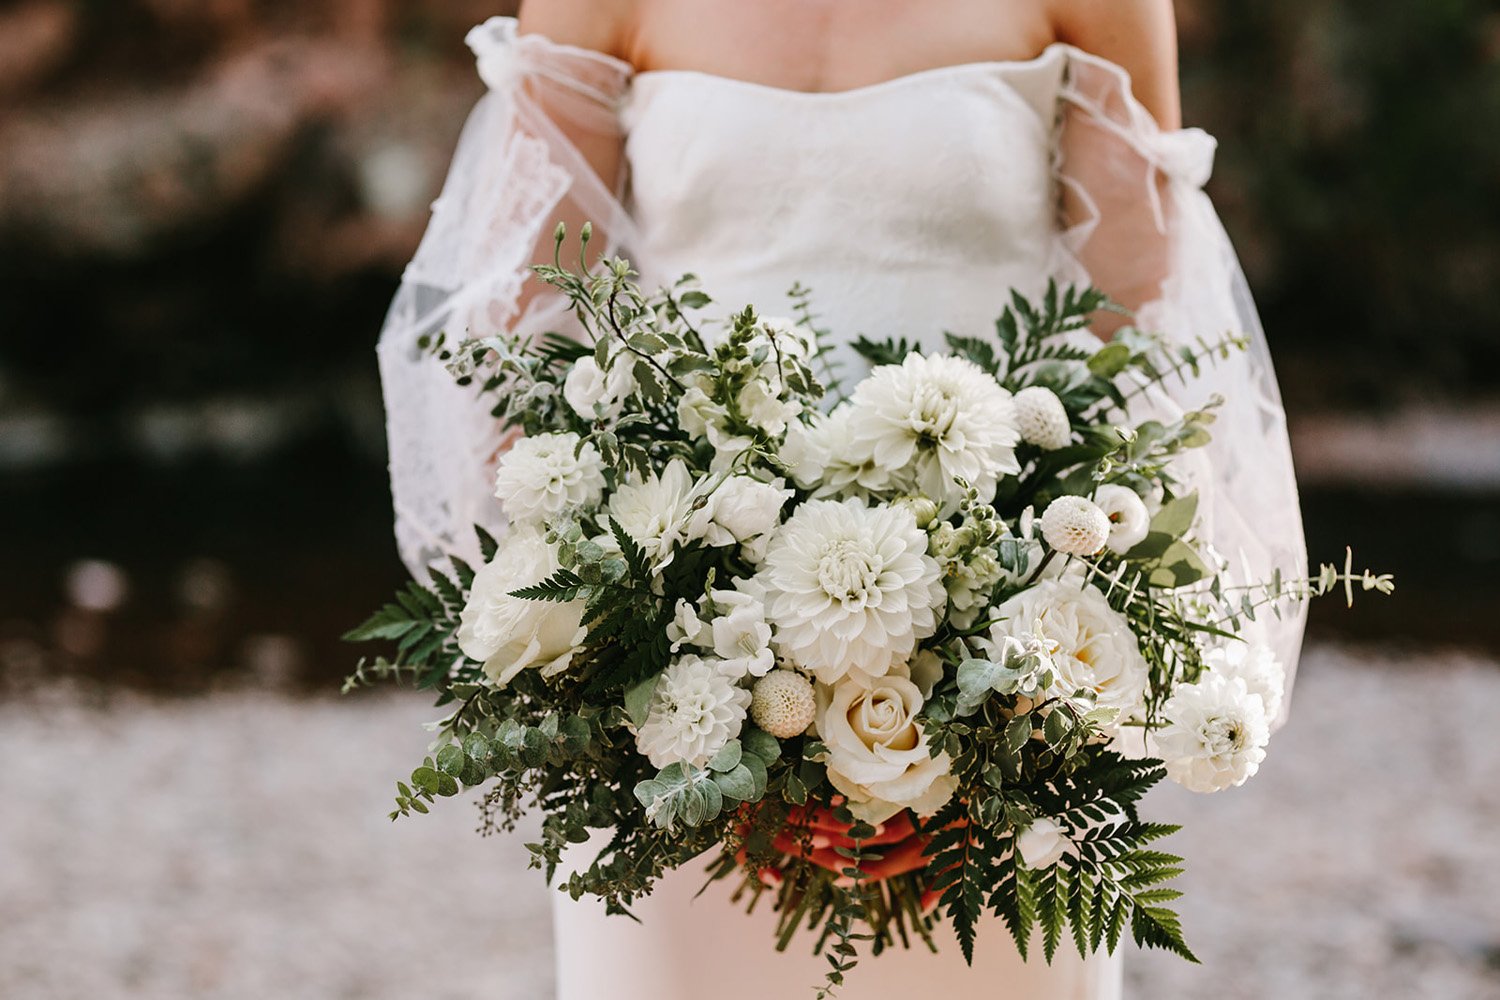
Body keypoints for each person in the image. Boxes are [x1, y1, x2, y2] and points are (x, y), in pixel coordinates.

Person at [375, 2, 1307, 996]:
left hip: (1002, 695)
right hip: (680, 704)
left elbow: (1133, 337)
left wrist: (1005, 697)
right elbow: (530, 339)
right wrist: (640, 669)